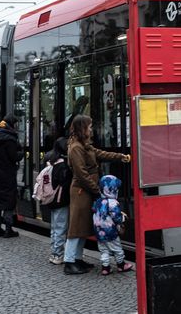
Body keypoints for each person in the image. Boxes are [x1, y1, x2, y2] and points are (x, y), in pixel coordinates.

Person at [64, 114, 130, 275]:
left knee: (82, 227)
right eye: (90, 126)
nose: (92, 129)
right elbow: (81, 174)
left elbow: (100, 154)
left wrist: (120, 157)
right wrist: (98, 191)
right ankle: (69, 261)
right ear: (83, 128)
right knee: (76, 227)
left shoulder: (84, 145)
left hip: (86, 190)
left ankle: (77, 259)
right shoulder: (76, 148)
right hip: (81, 191)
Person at [0, 116, 24, 238]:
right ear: (12, 125)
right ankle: (8, 228)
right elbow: (13, 156)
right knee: (8, 201)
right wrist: (21, 153)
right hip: (7, 174)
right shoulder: (10, 139)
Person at [92, 174, 133, 275]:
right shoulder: (113, 202)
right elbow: (117, 217)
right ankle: (121, 265)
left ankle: (105, 268)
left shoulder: (98, 201)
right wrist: (123, 218)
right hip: (110, 232)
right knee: (117, 248)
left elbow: (95, 211)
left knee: (104, 250)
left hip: (99, 231)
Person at [43, 136, 70, 265]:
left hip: (51, 199)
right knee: (60, 227)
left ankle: (54, 252)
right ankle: (58, 254)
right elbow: (65, 182)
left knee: (54, 227)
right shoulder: (62, 165)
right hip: (61, 200)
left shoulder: (50, 161)